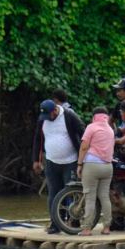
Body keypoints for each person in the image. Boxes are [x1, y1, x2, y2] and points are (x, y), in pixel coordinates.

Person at [32, 99, 85, 234]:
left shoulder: (69, 116)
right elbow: (38, 139)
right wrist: (36, 160)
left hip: (71, 161)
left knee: (72, 192)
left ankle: (74, 221)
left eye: (48, 115)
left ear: (55, 110)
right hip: (51, 161)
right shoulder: (43, 119)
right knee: (53, 193)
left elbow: (83, 131)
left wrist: (83, 157)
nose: (46, 119)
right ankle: (56, 223)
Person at [76, 107, 115, 236]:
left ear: (94, 116)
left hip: (92, 166)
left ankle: (87, 229)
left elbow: (84, 146)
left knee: (90, 198)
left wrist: (80, 163)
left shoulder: (91, 127)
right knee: (104, 197)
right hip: (108, 167)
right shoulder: (110, 129)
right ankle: (107, 227)